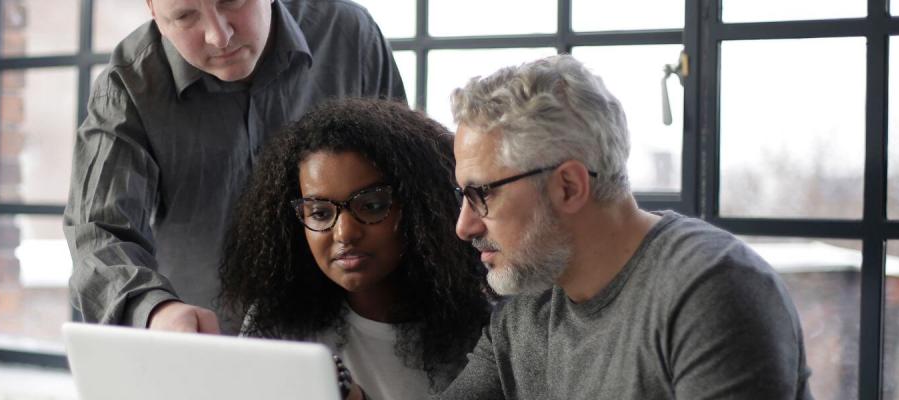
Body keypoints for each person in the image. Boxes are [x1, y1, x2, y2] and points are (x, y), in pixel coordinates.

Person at [435, 55, 813, 399]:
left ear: (568, 187)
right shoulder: (529, 305)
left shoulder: (713, 288)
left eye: (481, 194)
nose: (464, 226)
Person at [64, 0, 406, 334]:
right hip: (203, 345)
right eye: (185, 16)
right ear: (153, 10)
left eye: (230, 2)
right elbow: (98, 232)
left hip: (354, 337)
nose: (218, 36)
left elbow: (408, 183)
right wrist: (154, 309)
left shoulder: (350, 34)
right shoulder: (128, 83)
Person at [218, 98, 490, 400]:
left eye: (372, 206)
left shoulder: (482, 328)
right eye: (320, 213)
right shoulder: (277, 322)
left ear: (419, 209)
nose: (344, 233)